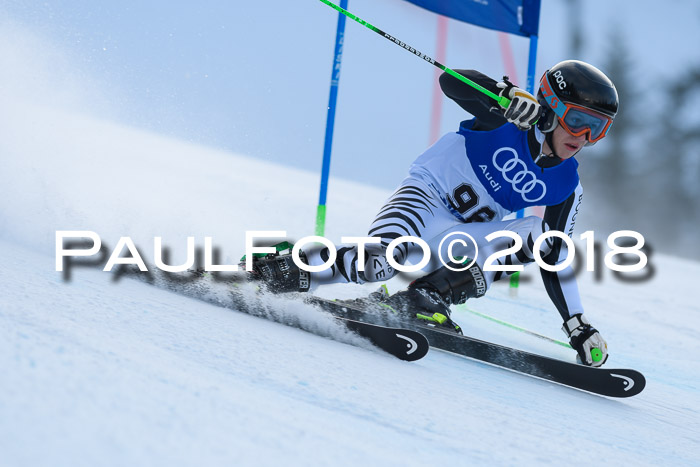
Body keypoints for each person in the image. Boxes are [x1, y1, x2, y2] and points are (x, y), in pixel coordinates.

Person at [251, 60, 618, 367]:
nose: (584, 137)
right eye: (578, 121)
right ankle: (283, 268)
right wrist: (502, 96)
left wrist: (577, 324)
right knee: (377, 264)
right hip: (425, 201)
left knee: (539, 234)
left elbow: (553, 255)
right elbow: (451, 82)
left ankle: (428, 298)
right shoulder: (505, 119)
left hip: (460, 239)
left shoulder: (567, 185)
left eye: (598, 129)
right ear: (551, 107)